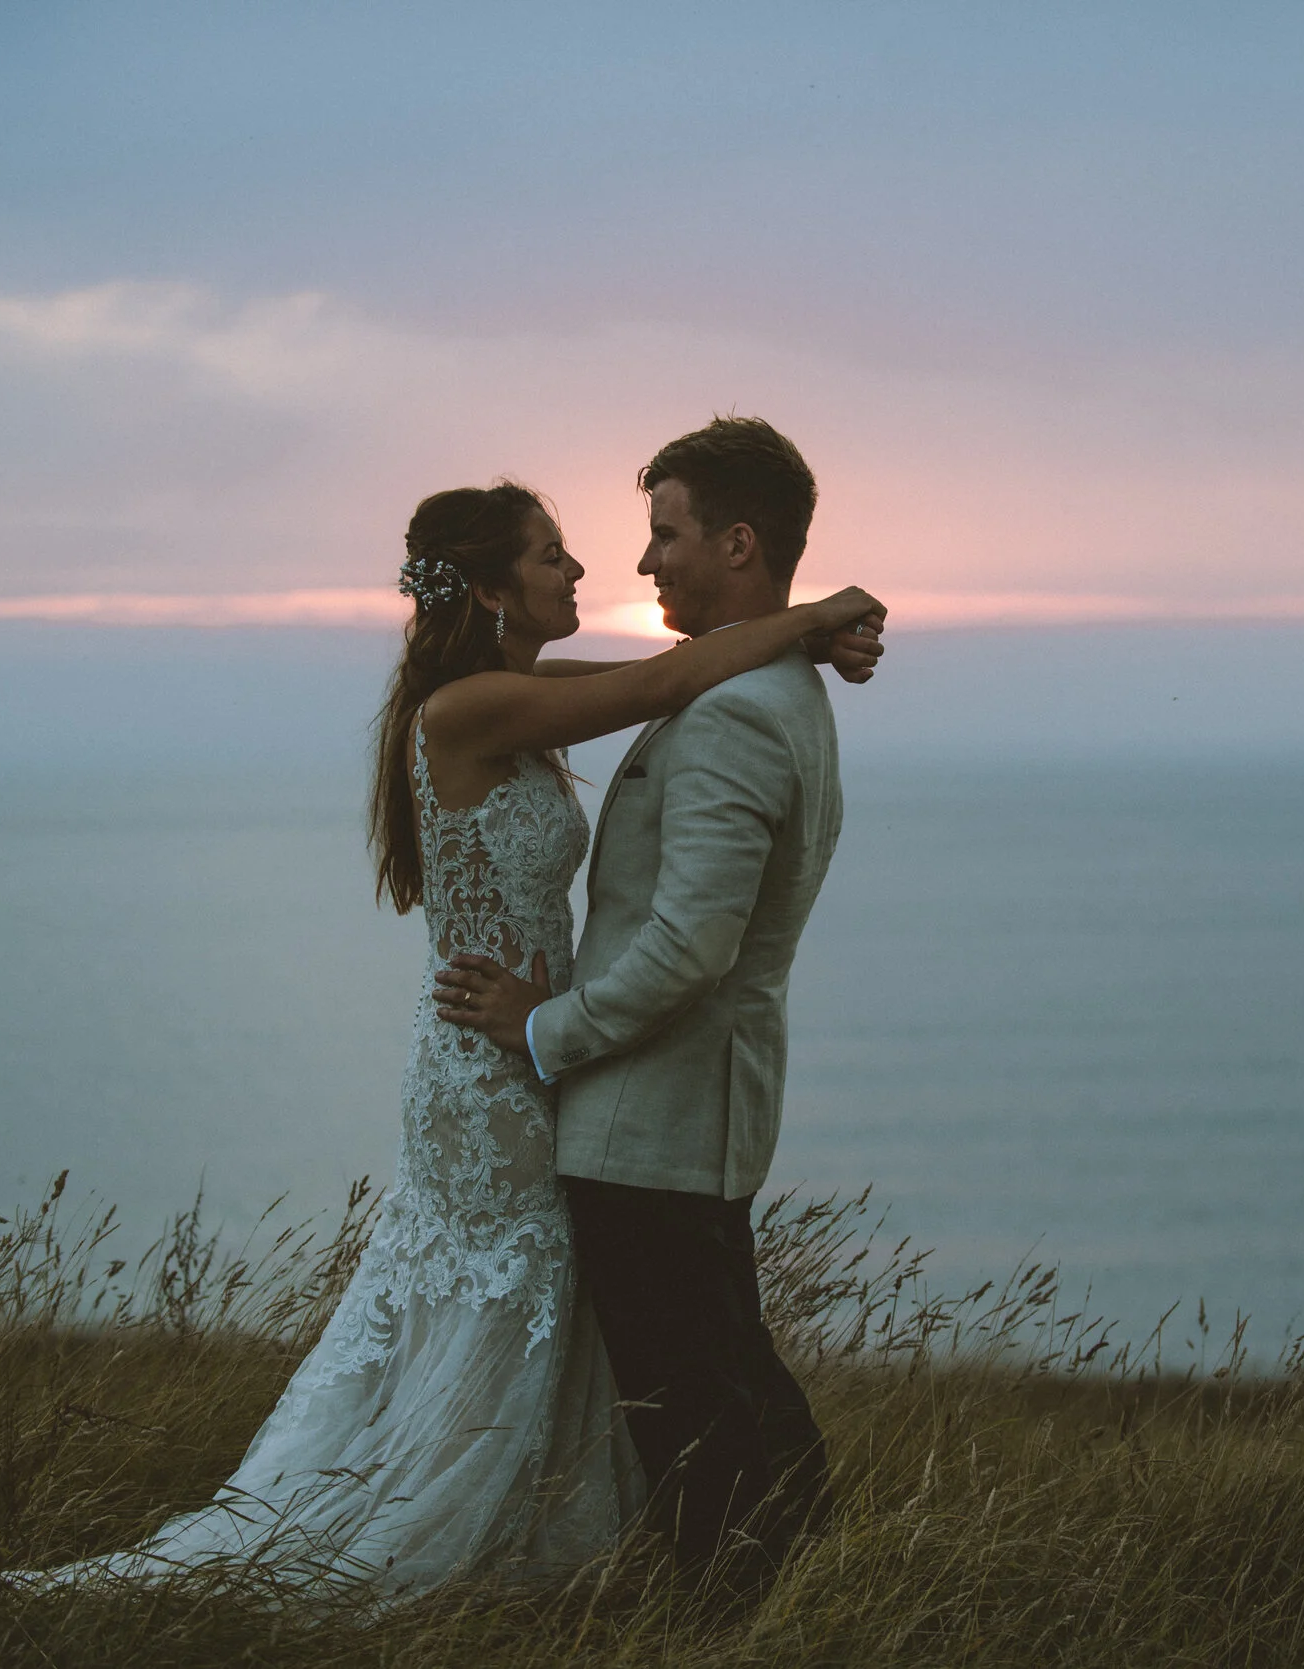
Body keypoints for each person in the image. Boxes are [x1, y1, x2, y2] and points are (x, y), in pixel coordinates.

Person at [0, 473, 882, 1612]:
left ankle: (531, 1536)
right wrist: (813, 620)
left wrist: (796, 649)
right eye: (552, 555)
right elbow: (665, 676)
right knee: (515, 1300)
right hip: (492, 1054)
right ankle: (451, 1544)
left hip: (530, 1047)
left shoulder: (512, 688)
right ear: (486, 586)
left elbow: (668, 675)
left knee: (543, 1305)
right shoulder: (468, 709)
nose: (584, 571)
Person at [435, 417, 853, 1601]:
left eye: (664, 535)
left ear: (736, 541)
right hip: (698, 1106)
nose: (642, 562)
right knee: (732, 1372)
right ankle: (821, 1586)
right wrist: (826, 625)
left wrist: (539, 1027)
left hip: (651, 1115)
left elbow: (688, 948)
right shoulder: (768, 690)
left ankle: (739, 1614)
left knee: (687, 1405)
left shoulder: (732, 711)